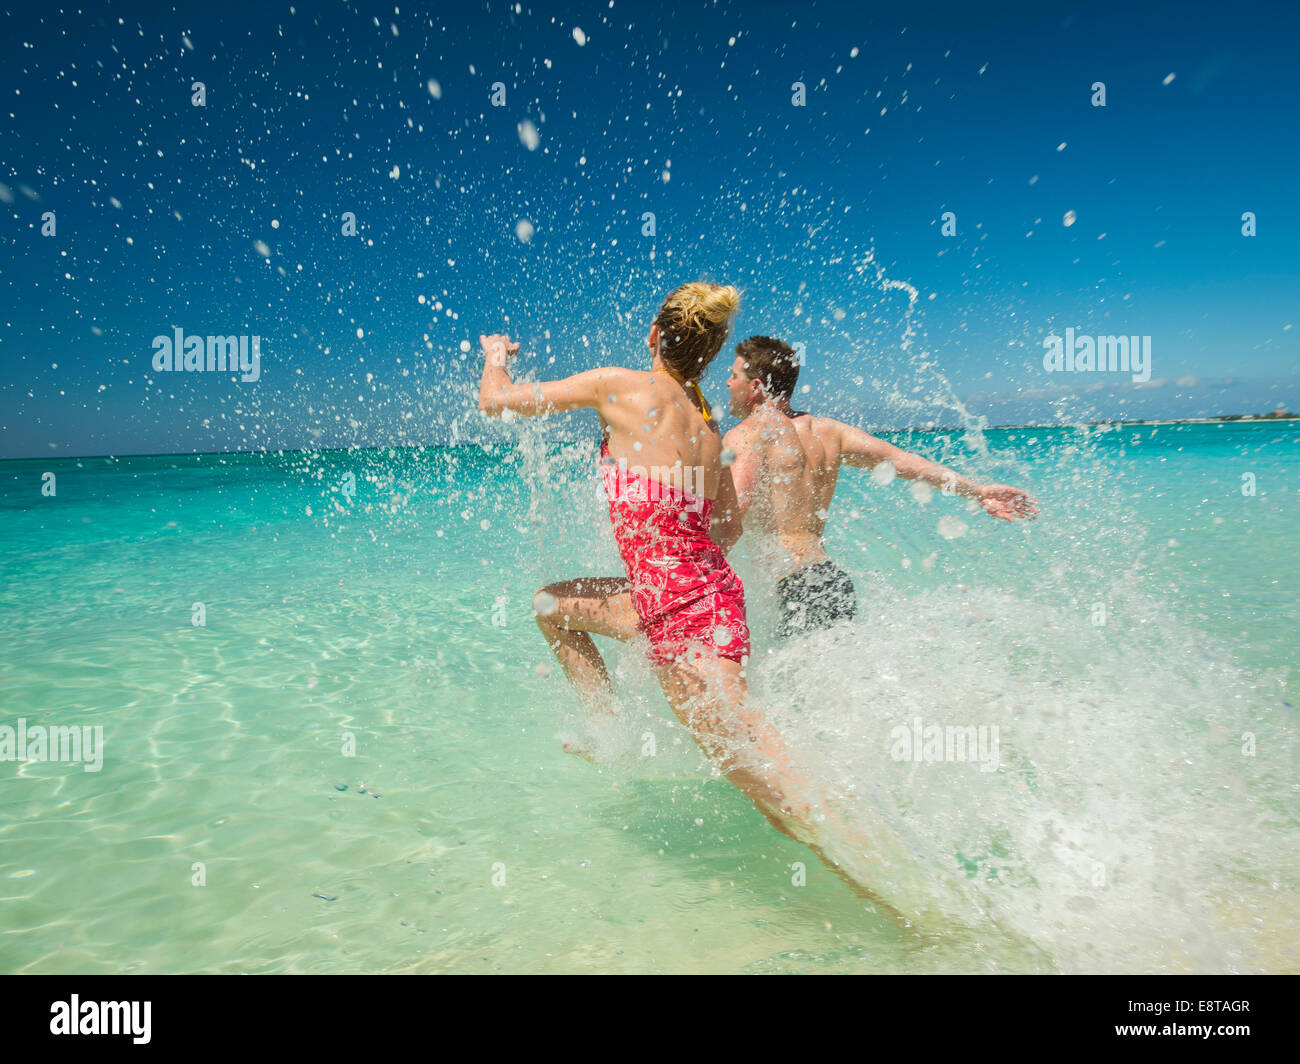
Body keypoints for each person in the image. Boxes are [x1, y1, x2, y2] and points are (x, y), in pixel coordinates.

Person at [476, 283, 817, 850]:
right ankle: (609, 739)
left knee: (762, 777)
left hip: (679, 615)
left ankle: (874, 866)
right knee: (550, 606)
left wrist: (494, 357)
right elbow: (726, 529)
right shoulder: (709, 430)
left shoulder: (620, 386)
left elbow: (496, 403)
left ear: (655, 336)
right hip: (691, 598)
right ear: (708, 358)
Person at [721, 335, 1039, 637]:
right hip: (830, 581)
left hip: (788, 586)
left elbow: (733, 516)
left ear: (756, 386)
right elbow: (904, 463)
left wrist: (685, 578)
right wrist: (978, 490)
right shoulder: (828, 432)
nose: (727, 384)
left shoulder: (747, 434)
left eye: (734, 376)